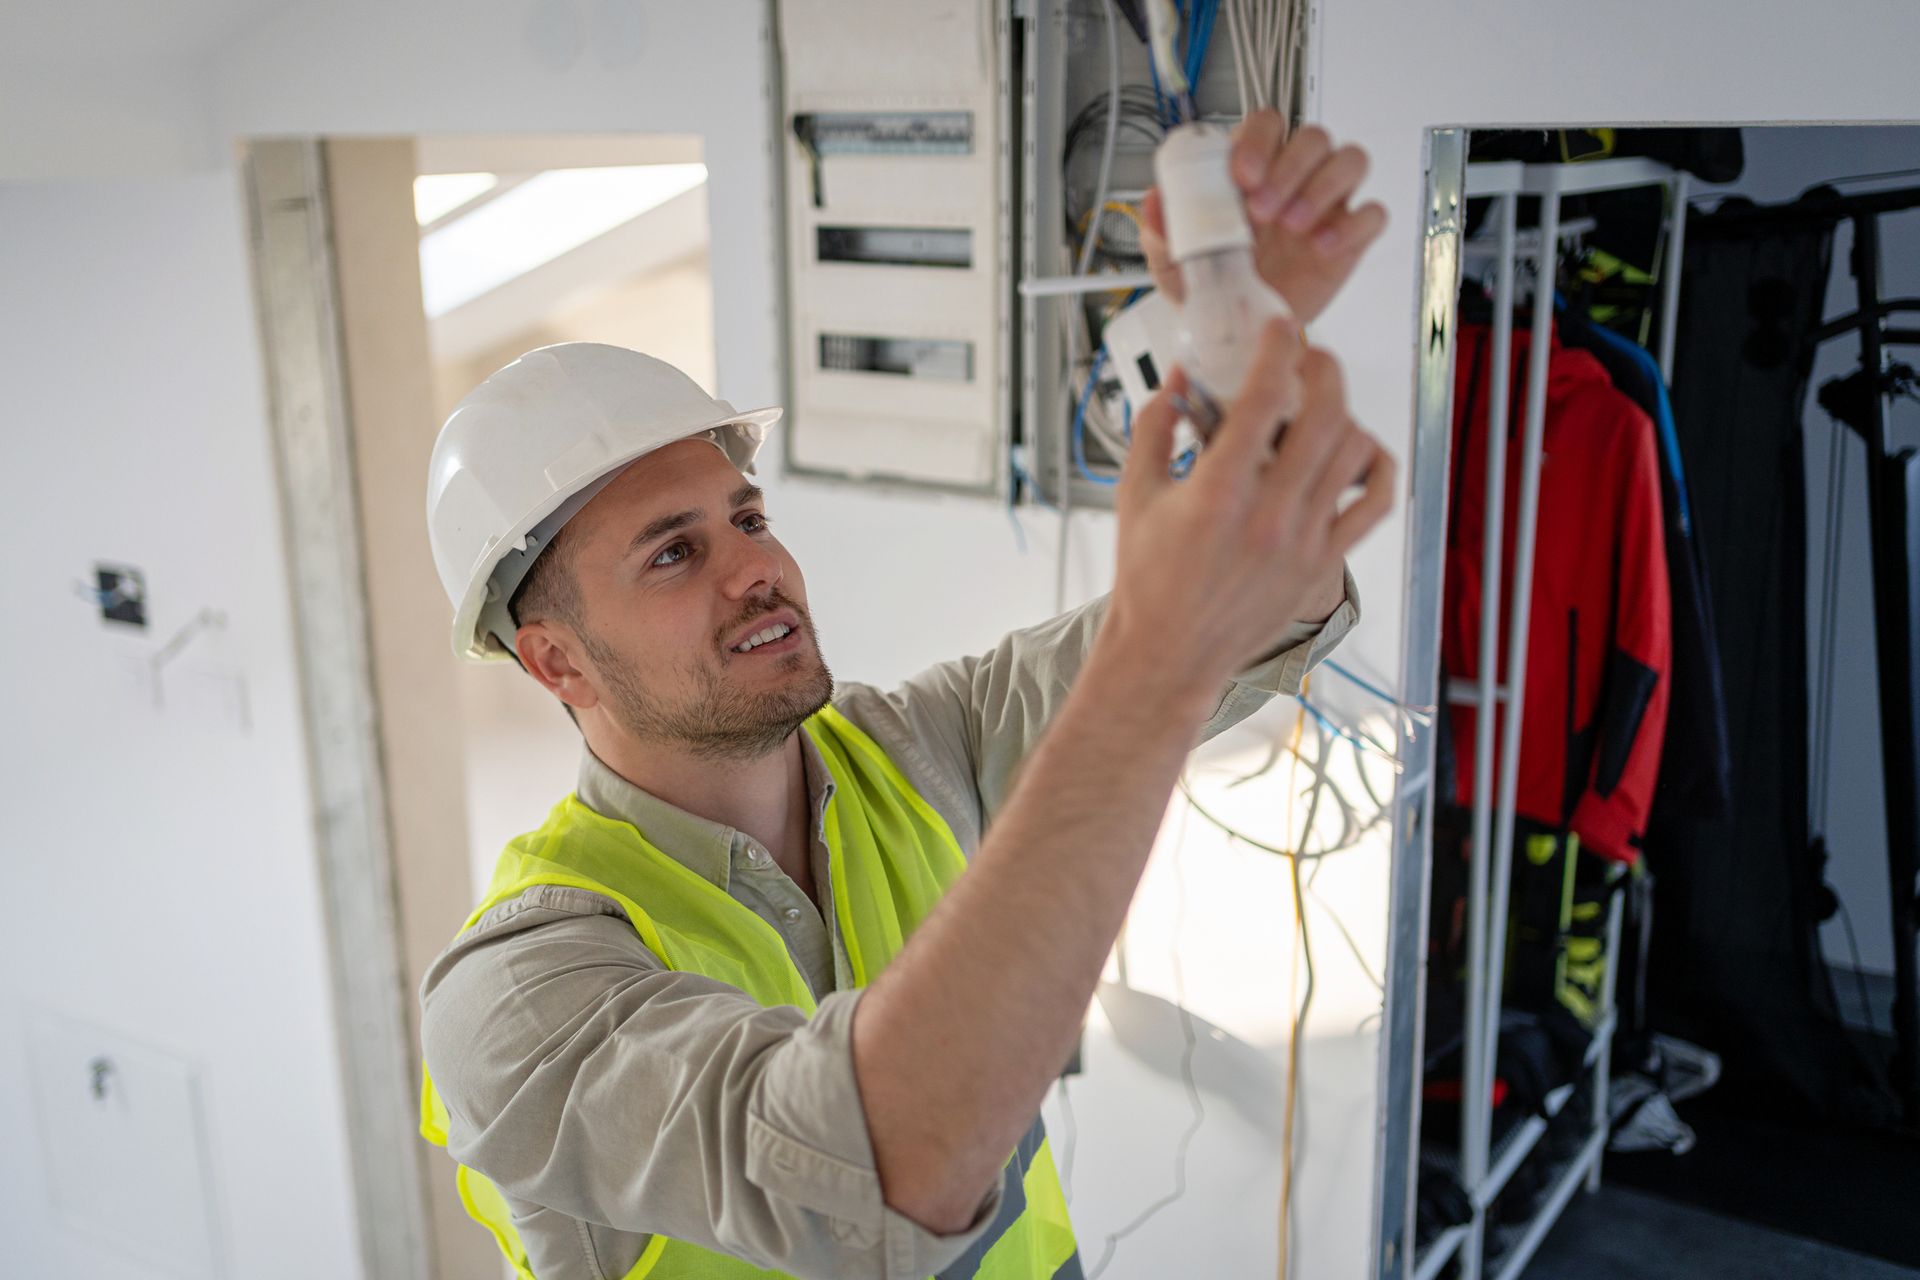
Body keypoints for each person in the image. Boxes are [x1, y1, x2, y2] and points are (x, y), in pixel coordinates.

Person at [418, 111, 1394, 1280]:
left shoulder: (919, 745)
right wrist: (1156, 662)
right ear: (555, 661)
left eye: (748, 516)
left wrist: (1243, 353)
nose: (756, 566)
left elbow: (1272, 598)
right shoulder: (519, 996)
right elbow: (872, 1177)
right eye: (673, 553)